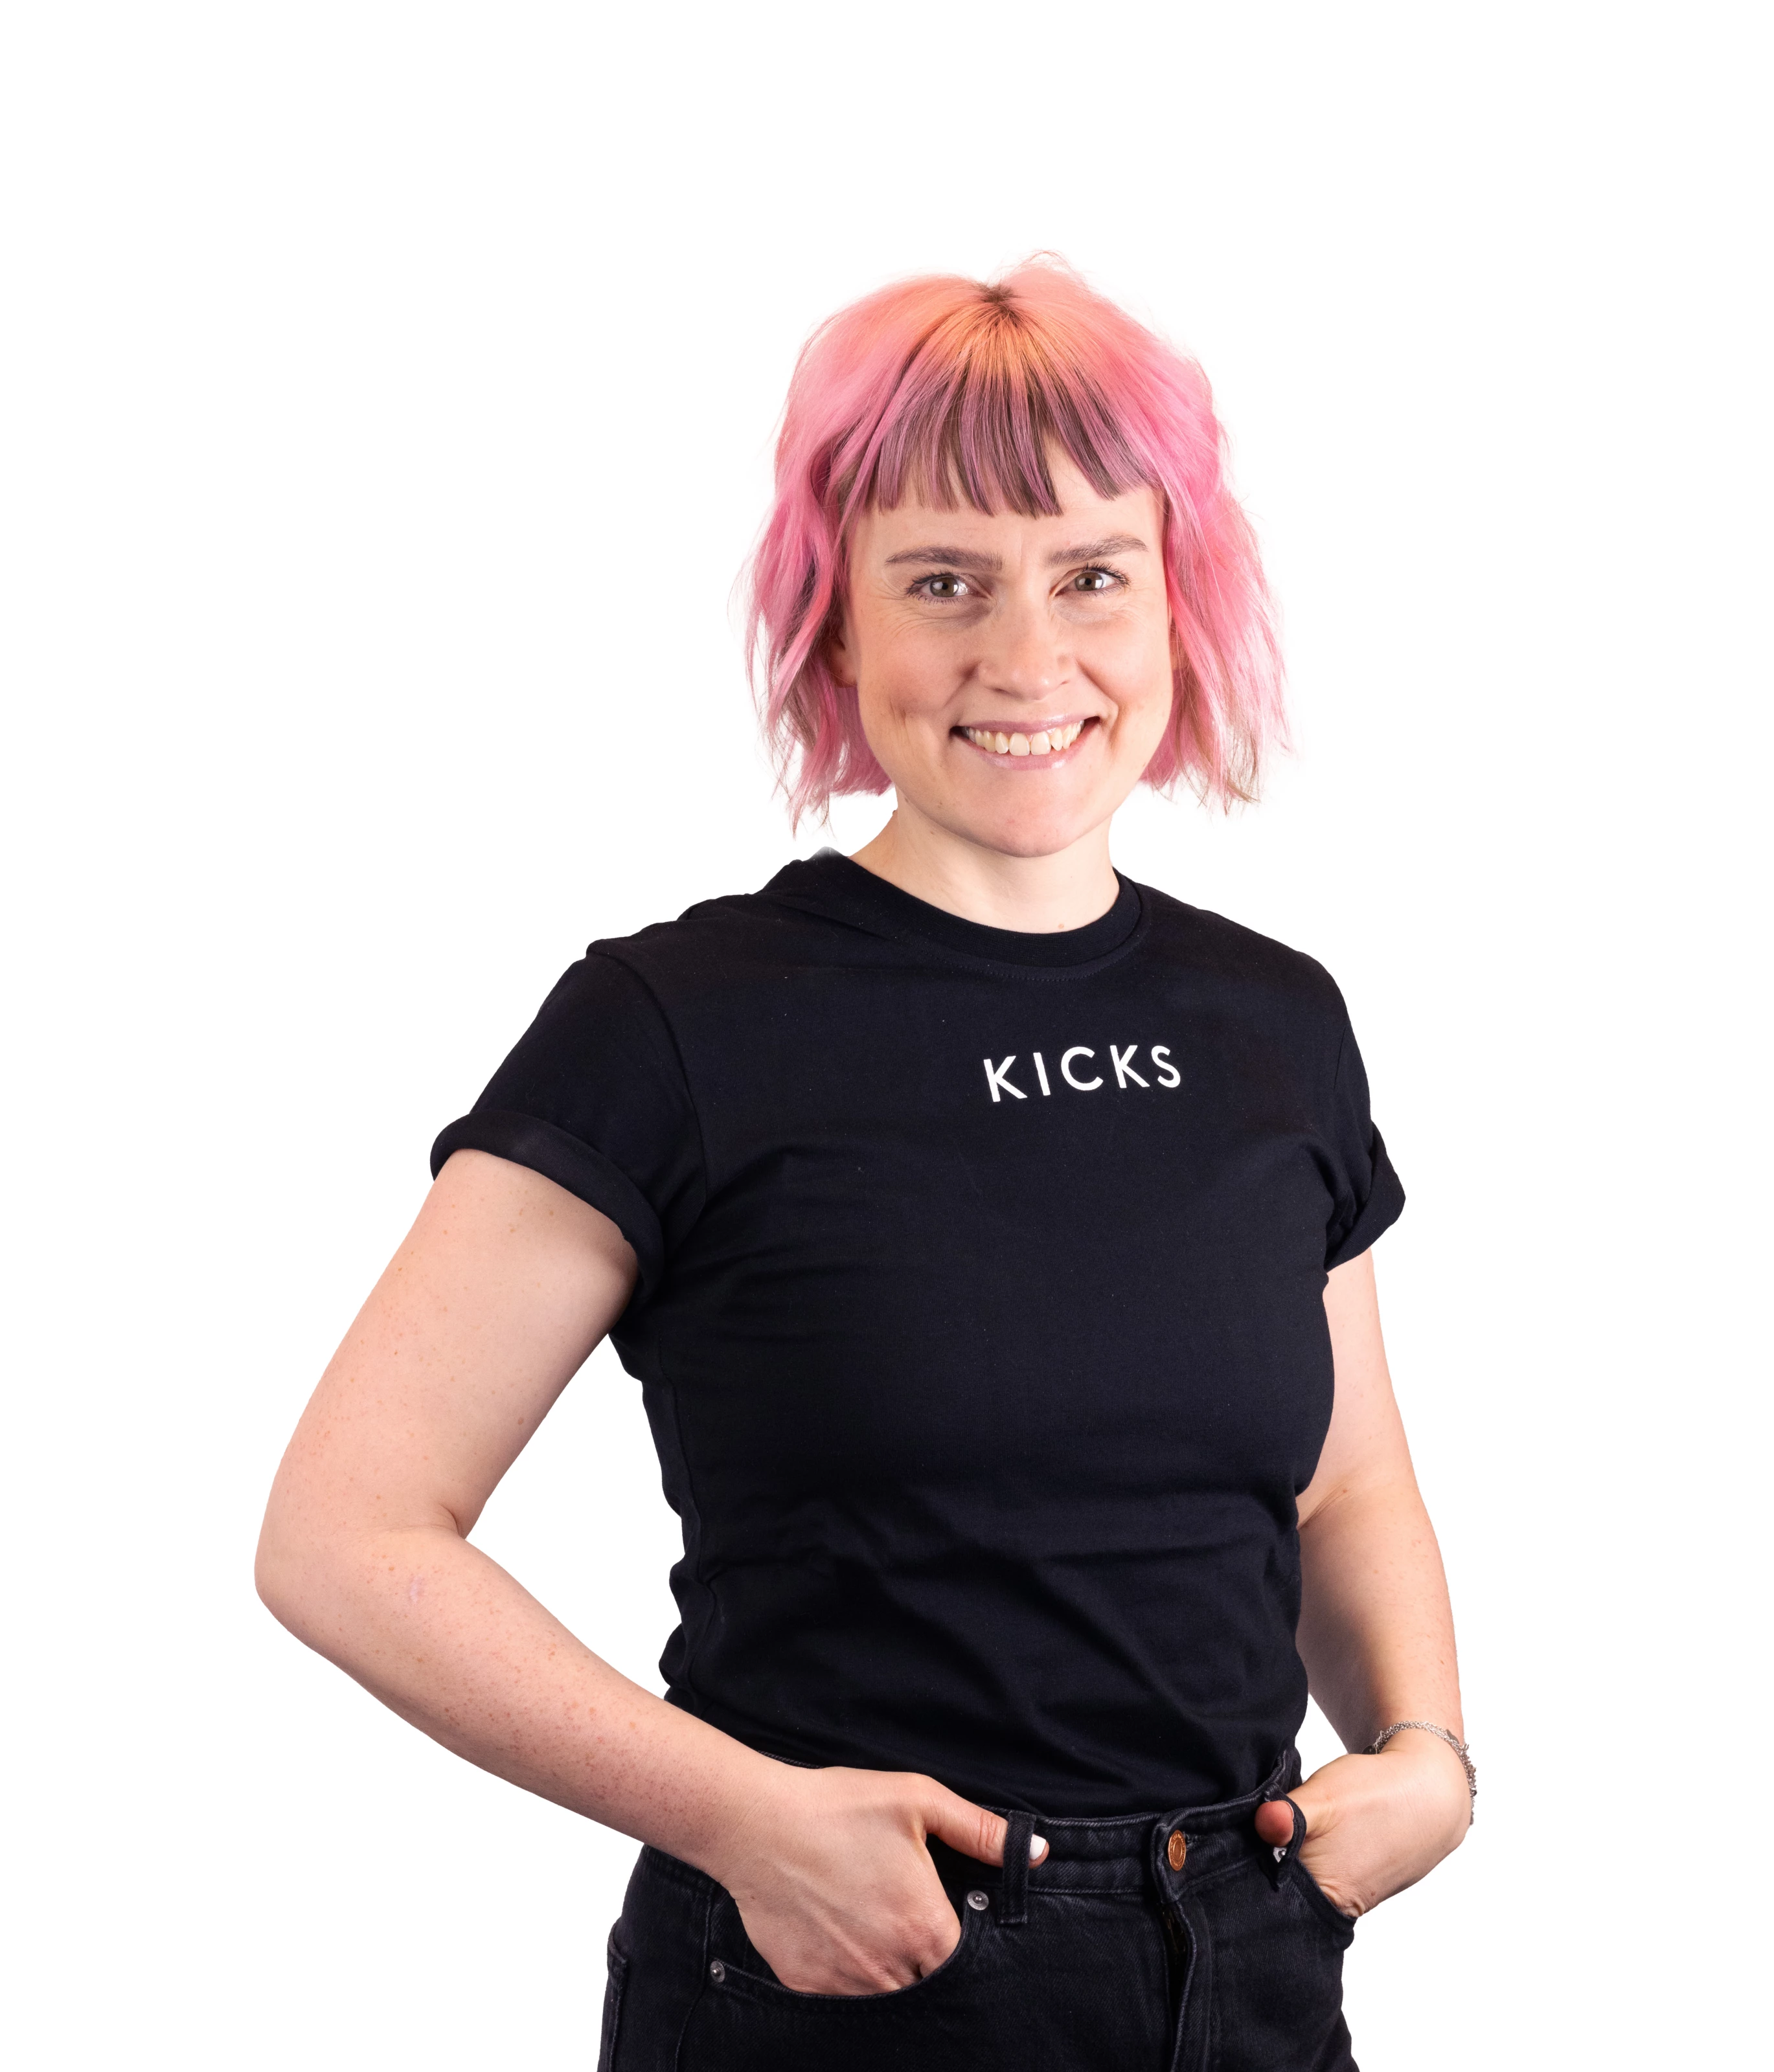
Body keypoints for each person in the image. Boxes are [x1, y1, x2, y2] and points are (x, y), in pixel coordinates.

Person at [257, 258, 1471, 2071]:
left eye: (1092, 575)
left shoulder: (1273, 1020)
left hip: (1252, 1972)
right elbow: (343, 1534)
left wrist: (1426, 1755)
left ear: (1177, 602)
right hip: (848, 1978)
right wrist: (744, 1818)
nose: (1028, 657)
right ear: (835, 624)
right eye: (943, 582)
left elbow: (1343, 1481)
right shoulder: (674, 1023)